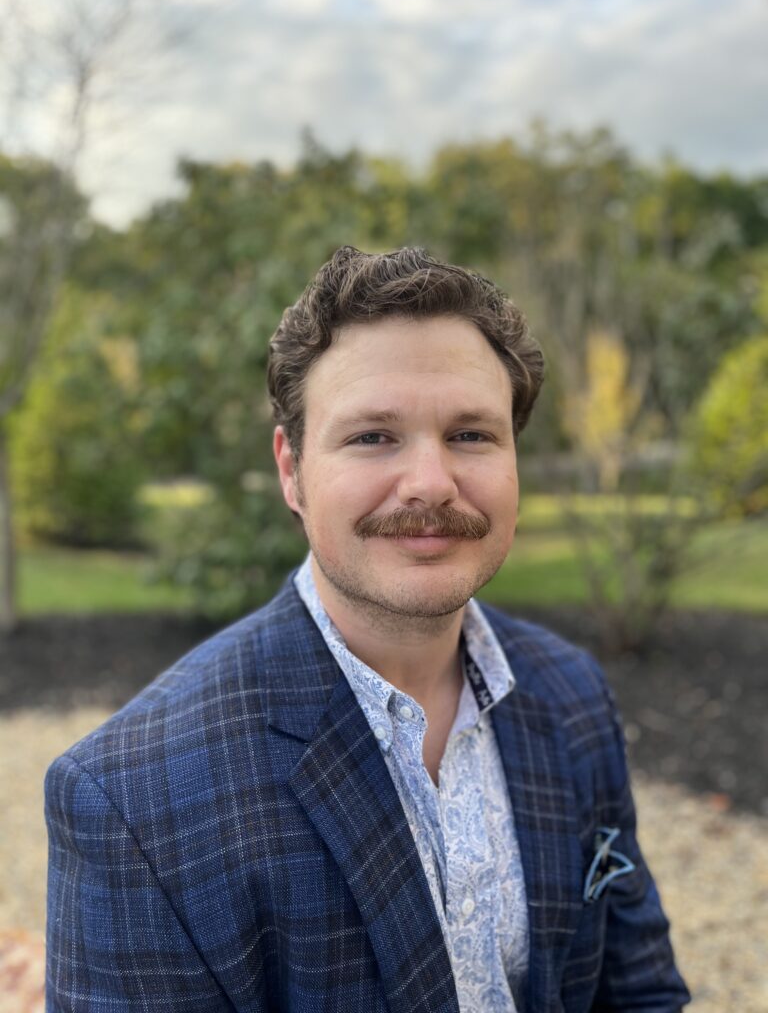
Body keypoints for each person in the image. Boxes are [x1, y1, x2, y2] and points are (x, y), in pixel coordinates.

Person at [45, 246, 690, 1012]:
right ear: (291, 471)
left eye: (471, 435)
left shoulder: (573, 694)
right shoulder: (132, 799)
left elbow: (639, 991)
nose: (431, 483)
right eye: (373, 437)